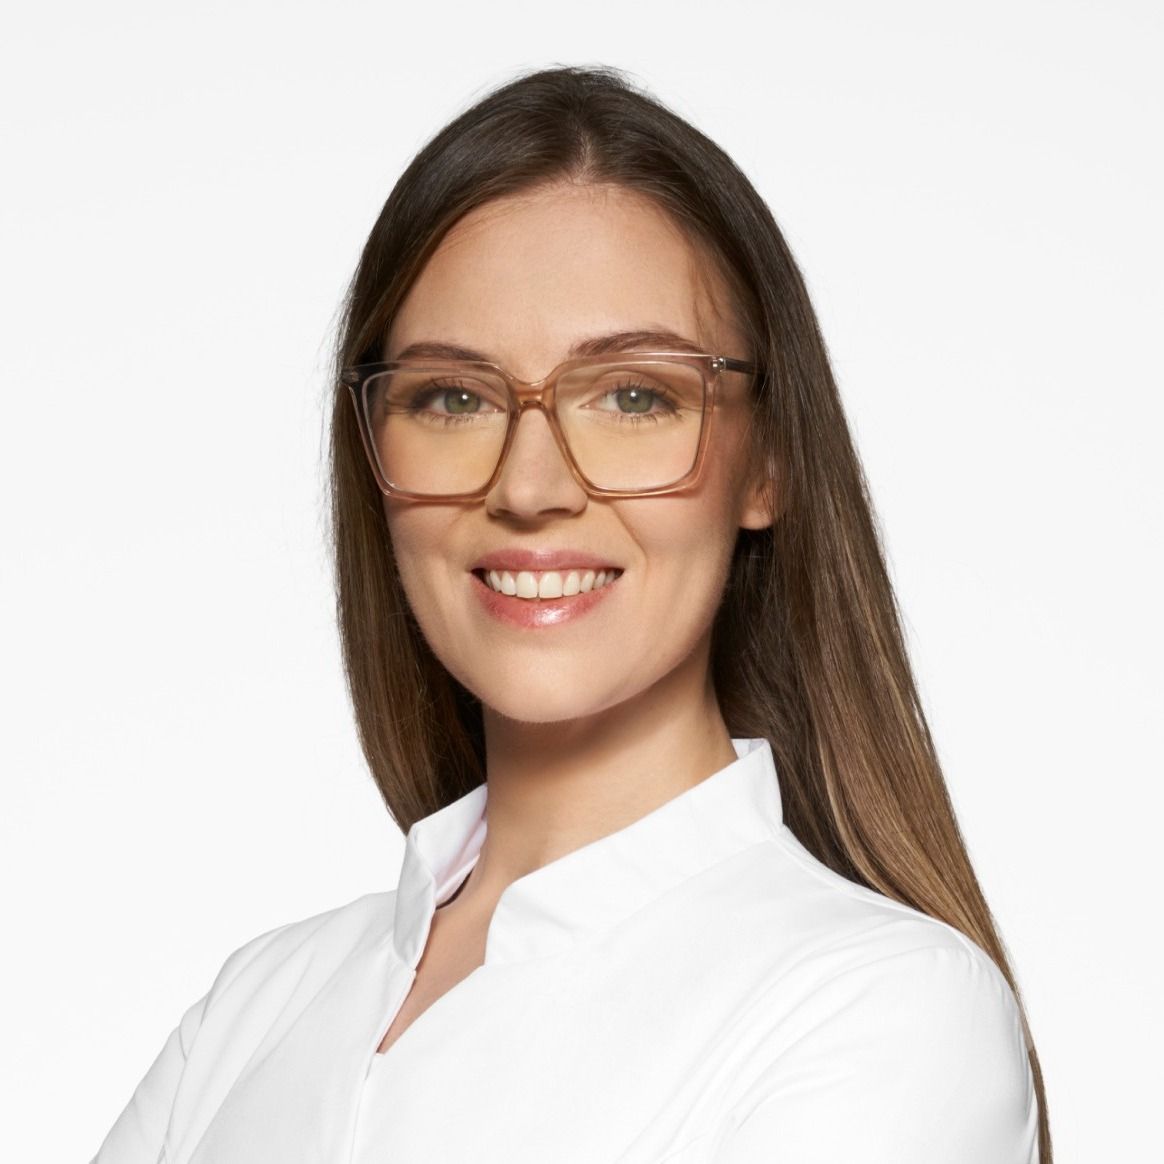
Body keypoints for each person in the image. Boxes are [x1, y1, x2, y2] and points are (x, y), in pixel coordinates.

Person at [92, 64, 1050, 1163]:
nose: (530, 485)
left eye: (635, 396)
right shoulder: (253, 1009)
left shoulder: (883, 1011)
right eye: (453, 398)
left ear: (767, 462)